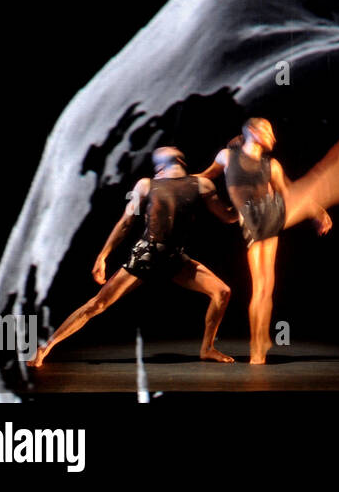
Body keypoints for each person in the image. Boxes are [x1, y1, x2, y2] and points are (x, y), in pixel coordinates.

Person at [199, 112, 339, 364]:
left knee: (263, 288)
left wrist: (317, 211)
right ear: (255, 133)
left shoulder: (272, 166)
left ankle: (257, 352)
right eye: (269, 131)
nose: (274, 137)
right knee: (261, 288)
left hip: (265, 218)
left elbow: (289, 193)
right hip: (256, 221)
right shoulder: (227, 157)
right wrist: (178, 183)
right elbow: (205, 176)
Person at [28, 147, 238, 367]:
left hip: (175, 258)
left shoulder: (202, 185)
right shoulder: (146, 185)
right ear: (159, 166)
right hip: (147, 255)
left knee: (222, 292)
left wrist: (248, 201)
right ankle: (45, 348)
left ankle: (207, 348)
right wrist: (103, 256)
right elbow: (126, 222)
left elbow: (229, 216)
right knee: (98, 304)